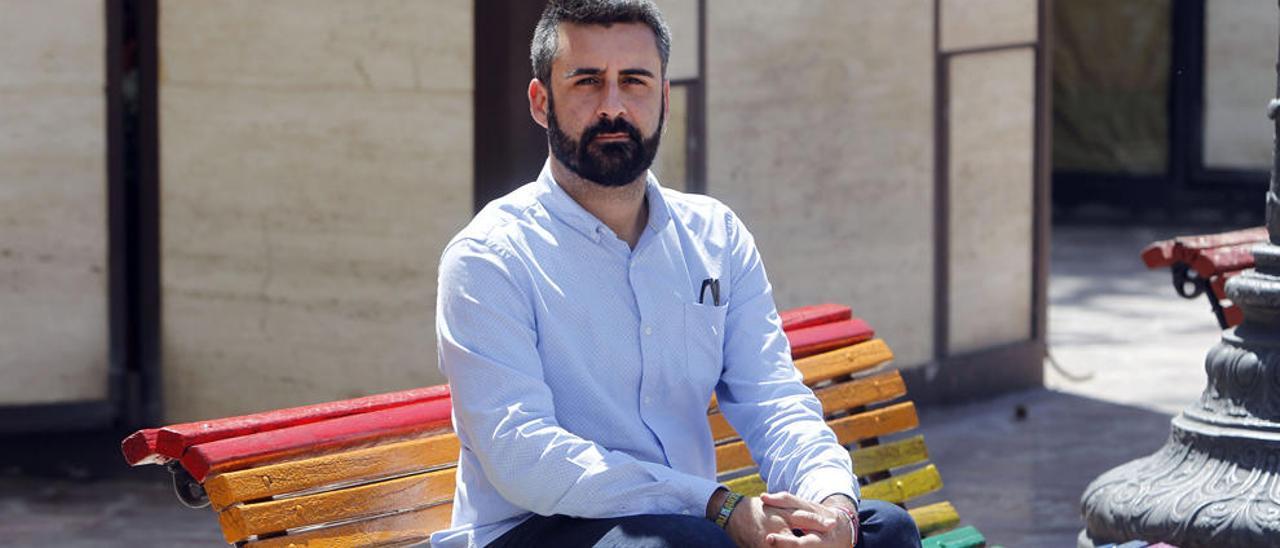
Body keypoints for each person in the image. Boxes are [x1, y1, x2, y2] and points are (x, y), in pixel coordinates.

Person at [432, 1, 921, 546]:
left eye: (634, 81)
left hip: (689, 526)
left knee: (885, 531)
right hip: (534, 528)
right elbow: (524, 455)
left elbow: (774, 401)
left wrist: (833, 509)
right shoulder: (488, 258)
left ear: (664, 98)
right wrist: (714, 504)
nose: (612, 106)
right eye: (587, 82)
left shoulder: (716, 236)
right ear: (541, 102)